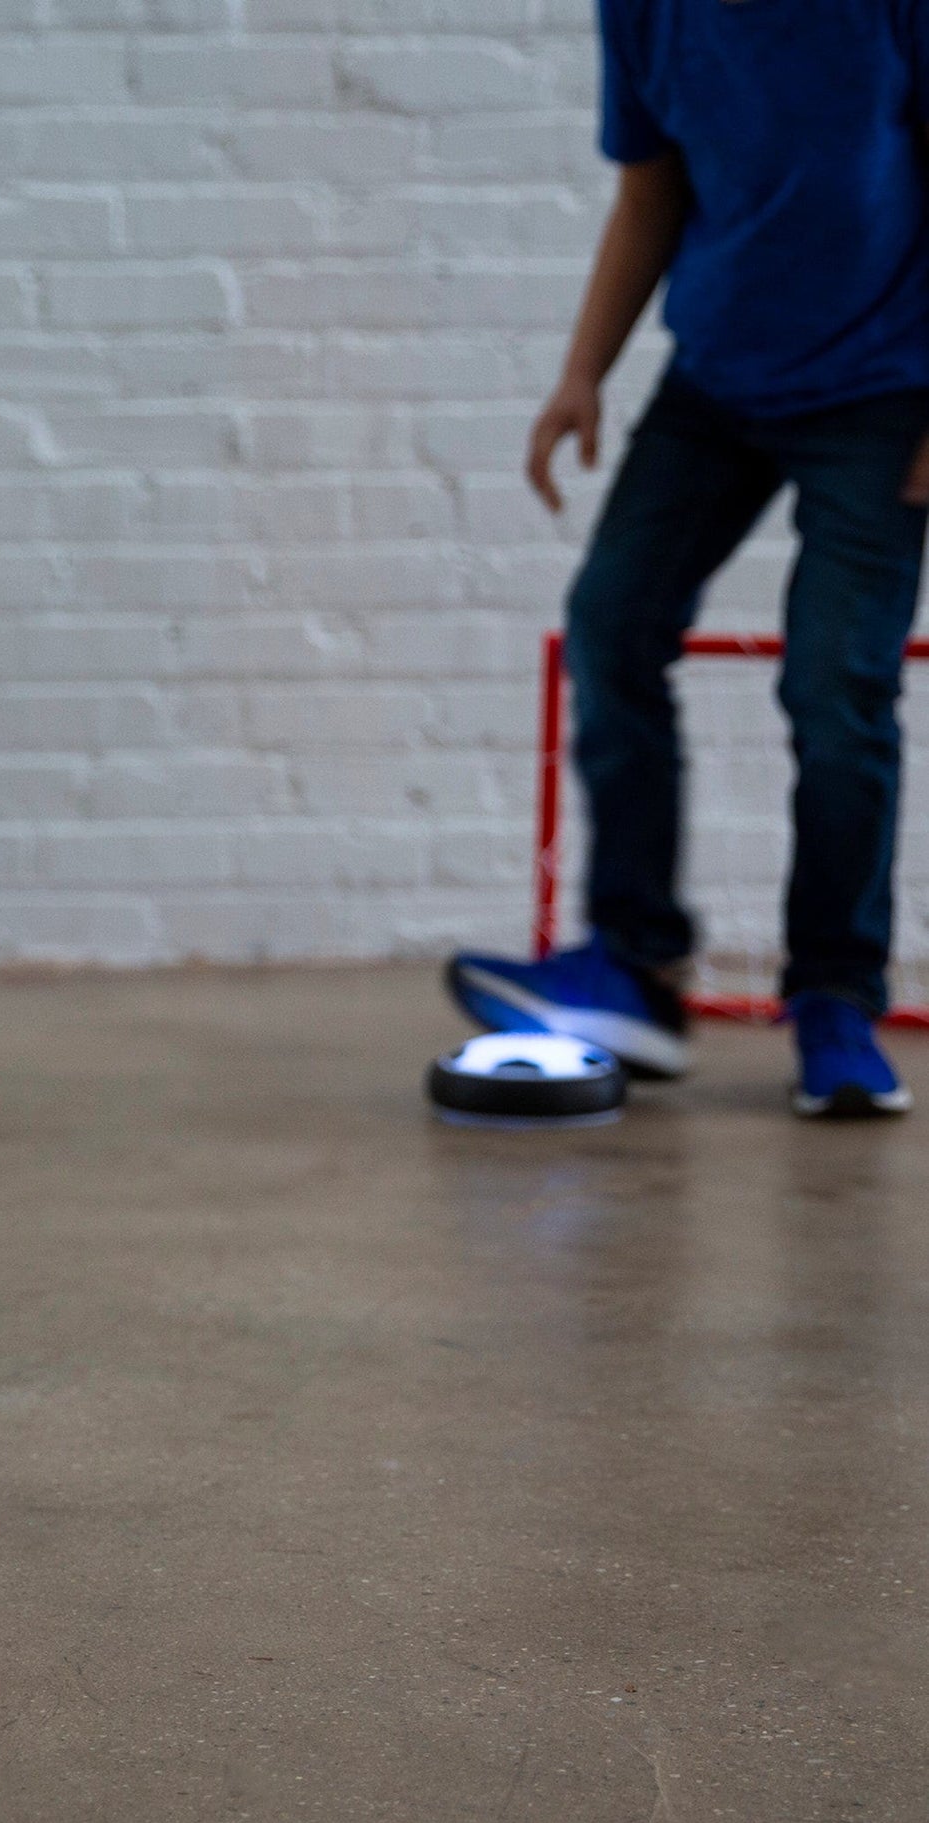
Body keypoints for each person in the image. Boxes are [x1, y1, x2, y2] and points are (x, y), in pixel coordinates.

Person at [447, 0, 929, 1119]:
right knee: (612, 623)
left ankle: (832, 998)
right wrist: (581, 373)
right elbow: (648, 194)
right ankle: (635, 967)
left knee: (832, 685)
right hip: (713, 384)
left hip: (881, 387)